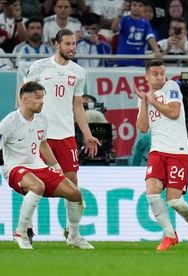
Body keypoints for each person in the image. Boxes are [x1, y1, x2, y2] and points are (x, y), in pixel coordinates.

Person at [22, 29, 100, 243]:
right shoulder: (39, 67)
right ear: (56, 44)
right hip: (40, 136)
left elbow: (77, 106)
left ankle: (72, 233)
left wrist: (87, 134)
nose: (72, 48)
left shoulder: (78, 72)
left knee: (72, 184)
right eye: (67, 44)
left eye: (74, 44)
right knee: (32, 183)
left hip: (66, 136)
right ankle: (26, 229)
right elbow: (23, 97)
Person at [0, 81, 92, 249]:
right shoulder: (9, 122)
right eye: (37, 98)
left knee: (75, 193)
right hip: (15, 168)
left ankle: (73, 236)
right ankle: (20, 233)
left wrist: (56, 167)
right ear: (25, 100)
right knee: (37, 186)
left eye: (42, 97)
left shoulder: (42, 119)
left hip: (39, 166)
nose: (42, 101)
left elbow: (43, 144)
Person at [134, 59, 188, 251]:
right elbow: (142, 128)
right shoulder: (144, 98)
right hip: (157, 151)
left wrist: (151, 101)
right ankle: (170, 235)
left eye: (162, 73)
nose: (160, 77)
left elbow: (174, 112)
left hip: (178, 151)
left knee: (174, 201)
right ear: (147, 77)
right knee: (152, 194)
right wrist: (144, 102)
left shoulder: (171, 86)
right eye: (155, 74)